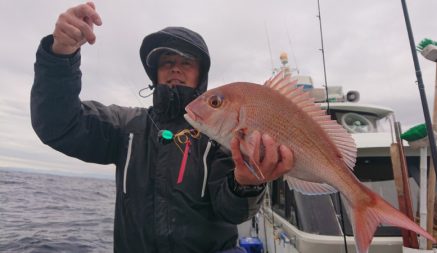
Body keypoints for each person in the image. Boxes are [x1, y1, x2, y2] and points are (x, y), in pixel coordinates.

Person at [31, 2, 294, 253]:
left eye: (186, 62)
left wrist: (246, 185)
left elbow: (233, 212)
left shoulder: (220, 133)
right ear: (155, 73)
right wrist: (60, 55)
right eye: (167, 62)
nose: (175, 68)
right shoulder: (127, 126)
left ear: (200, 75)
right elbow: (59, 124)